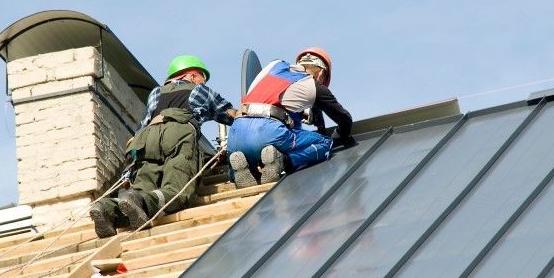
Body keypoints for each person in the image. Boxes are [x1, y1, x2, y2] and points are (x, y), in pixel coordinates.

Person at [89, 54, 238, 238]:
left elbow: (142, 127)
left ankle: (105, 207)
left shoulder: (156, 93)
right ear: (192, 76)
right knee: (177, 191)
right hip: (178, 133)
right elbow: (229, 114)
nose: (202, 82)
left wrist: (129, 172)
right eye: (201, 78)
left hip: (147, 139)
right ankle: (139, 200)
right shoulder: (200, 91)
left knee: (141, 187)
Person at [226, 47, 355, 189]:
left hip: (236, 133)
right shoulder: (314, 85)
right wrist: (340, 135)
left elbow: (274, 99)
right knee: (324, 143)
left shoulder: (274, 65)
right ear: (322, 73)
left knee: (250, 154)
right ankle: (283, 160)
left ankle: (241, 169)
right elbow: (344, 119)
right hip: (266, 133)